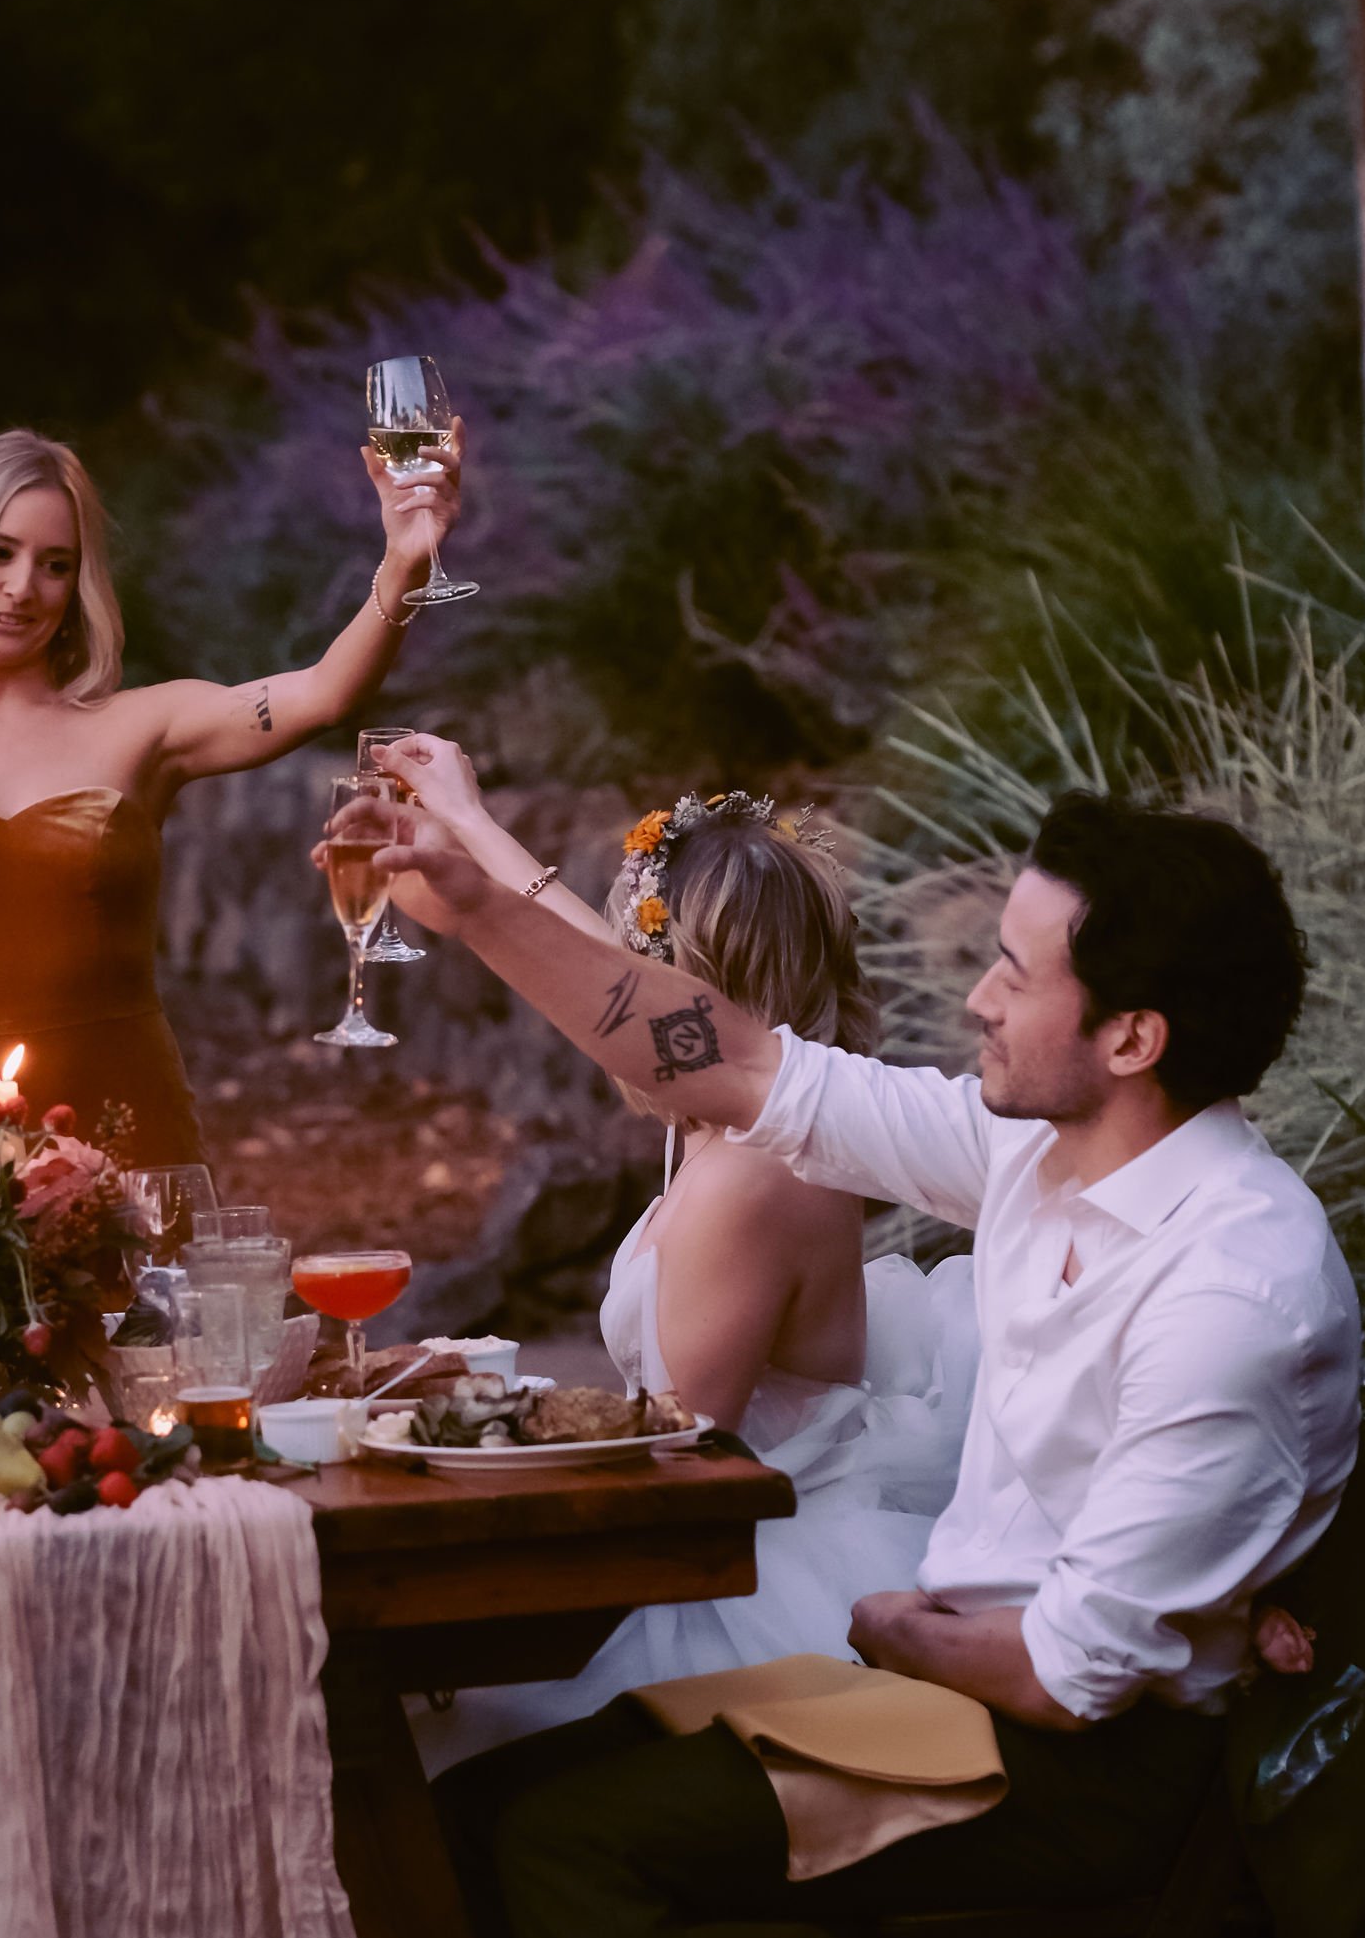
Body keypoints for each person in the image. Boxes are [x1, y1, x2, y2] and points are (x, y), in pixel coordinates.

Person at [366, 778, 1362, 1938]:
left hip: (1065, 1766)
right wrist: (479, 908)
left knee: (573, 1841)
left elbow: (1069, 1674)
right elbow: (738, 1062)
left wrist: (889, 1623)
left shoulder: (1235, 1286)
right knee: (481, 1802)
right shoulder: (1038, 1157)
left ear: (1131, 1035)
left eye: (1017, 968)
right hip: (949, 1689)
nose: (973, 990)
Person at [384, 749, 977, 1773]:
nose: (609, 981)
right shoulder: (747, 1134)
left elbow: (670, 1460)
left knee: (444, 1750)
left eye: (636, 960)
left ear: (686, 990)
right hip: (722, 1530)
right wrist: (464, 817)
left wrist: (480, 1408)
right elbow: (595, 967)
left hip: (746, 1582)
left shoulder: (746, 1183)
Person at [0, 422, 461, 1158]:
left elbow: (325, 694)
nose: (22, 588)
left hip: (136, 1143)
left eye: (55, 564)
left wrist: (403, 562)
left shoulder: (143, 727)